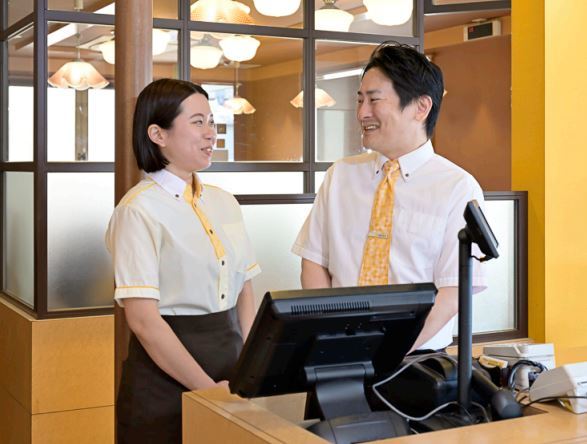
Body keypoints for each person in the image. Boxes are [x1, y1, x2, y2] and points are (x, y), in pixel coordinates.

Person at [292, 43, 486, 354]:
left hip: (416, 358)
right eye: (360, 100)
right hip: (340, 351)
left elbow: (453, 292)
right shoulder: (340, 176)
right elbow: (314, 261)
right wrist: (334, 336)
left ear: (421, 107)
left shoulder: (457, 187)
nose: (362, 113)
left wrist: (387, 351)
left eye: (374, 100)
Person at [105, 78, 260, 443]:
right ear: (158, 134)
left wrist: (254, 366)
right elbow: (144, 321)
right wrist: (208, 390)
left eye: (212, 121)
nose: (211, 133)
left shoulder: (224, 201)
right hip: (162, 385)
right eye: (197, 122)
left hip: (231, 372)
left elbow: (245, 289)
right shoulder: (137, 210)